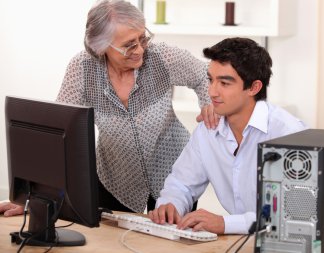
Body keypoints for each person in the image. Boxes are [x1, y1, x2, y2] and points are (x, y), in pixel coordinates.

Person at [0, 0, 218, 216]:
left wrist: (209, 103)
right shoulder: (82, 69)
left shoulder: (162, 57)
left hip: (173, 175)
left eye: (142, 38)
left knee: (171, 244)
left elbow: (203, 74)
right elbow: (61, 135)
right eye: (129, 45)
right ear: (101, 46)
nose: (140, 49)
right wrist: (35, 196)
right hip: (114, 177)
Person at [148, 38, 307, 234]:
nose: (212, 91)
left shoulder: (288, 134)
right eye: (210, 79)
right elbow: (181, 183)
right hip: (238, 243)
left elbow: (294, 214)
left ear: (253, 88)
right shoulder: (208, 130)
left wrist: (225, 224)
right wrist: (170, 205)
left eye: (224, 83)